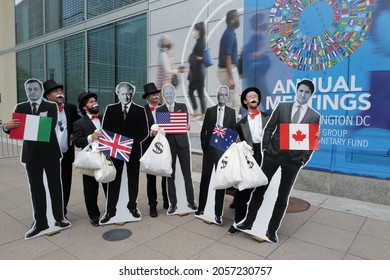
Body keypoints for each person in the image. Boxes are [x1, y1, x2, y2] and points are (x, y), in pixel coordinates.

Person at [236, 79, 320, 243]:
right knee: (260, 189)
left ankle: (272, 230)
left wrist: (303, 159)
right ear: (297, 91)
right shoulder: (282, 107)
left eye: (307, 92)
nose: (303, 94)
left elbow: (311, 141)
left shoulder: (314, 116)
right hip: (273, 155)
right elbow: (269, 128)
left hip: (293, 161)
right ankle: (248, 221)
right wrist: (266, 149)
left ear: (311, 95)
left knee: (283, 197)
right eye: (301, 91)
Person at [2, 78, 69, 239]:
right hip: (31, 154)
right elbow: (16, 131)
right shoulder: (20, 107)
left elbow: (47, 127)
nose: (32, 92)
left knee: (55, 185)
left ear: (41, 91)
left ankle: (59, 217)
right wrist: (6, 127)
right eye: (29, 89)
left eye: (35, 89)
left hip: (50, 152)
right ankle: (40, 222)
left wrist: (28, 126)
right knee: (36, 188)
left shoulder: (51, 106)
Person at [100, 82, 149, 223]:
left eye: (128, 93)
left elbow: (144, 131)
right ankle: (110, 211)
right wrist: (117, 144)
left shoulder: (140, 110)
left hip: (133, 150)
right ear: (118, 94)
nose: (126, 96)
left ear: (132, 93)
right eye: (122, 93)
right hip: (116, 150)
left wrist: (128, 143)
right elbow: (106, 130)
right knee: (114, 180)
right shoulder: (110, 109)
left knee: (133, 179)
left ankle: (132, 207)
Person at [228, 87, 270, 235]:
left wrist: (313, 135)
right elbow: (234, 142)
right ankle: (238, 222)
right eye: (250, 96)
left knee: (263, 190)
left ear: (258, 100)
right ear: (245, 101)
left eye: (256, 95)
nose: (254, 97)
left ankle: (260, 223)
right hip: (248, 157)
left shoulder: (269, 118)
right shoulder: (240, 124)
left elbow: (283, 134)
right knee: (242, 191)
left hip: (266, 156)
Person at [195, 85, 236, 224]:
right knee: (205, 179)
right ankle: (201, 208)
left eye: (225, 95)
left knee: (220, 182)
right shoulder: (210, 111)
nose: (223, 97)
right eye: (221, 95)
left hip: (223, 151)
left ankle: (218, 213)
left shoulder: (231, 112)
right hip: (210, 150)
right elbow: (203, 131)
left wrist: (229, 152)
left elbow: (233, 133)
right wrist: (204, 147)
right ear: (217, 97)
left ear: (227, 97)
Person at [156, 83, 197, 214]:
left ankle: (191, 201)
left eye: (171, 93)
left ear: (174, 94)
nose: (169, 96)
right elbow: (164, 127)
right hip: (169, 146)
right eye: (166, 93)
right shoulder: (160, 110)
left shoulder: (182, 106)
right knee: (170, 176)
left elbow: (184, 122)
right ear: (163, 95)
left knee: (187, 175)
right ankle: (173, 204)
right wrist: (174, 123)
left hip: (183, 145)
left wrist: (185, 125)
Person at [43, 79, 80, 217]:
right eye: (55, 91)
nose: (60, 92)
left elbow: (80, 123)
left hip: (66, 155)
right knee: (49, 185)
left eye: (60, 90)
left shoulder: (70, 108)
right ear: (48, 96)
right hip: (49, 156)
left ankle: (61, 213)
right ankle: (49, 213)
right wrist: (6, 128)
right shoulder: (42, 109)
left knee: (65, 184)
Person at [73, 91, 108, 226]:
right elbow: (78, 141)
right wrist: (90, 138)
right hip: (90, 160)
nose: (95, 103)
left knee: (109, 185)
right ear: (84, 107)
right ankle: (94, 215)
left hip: (106, 158)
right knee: (90, 189)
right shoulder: (79, 123)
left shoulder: (104, 118)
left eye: (95, 101)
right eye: (91, 102)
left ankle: (111, 211)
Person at [141, 82, 169, 217]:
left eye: (157, 93)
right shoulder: (142, 110)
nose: (156, 95)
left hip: (163, 147)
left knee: (165, 175)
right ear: (147, 97)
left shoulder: (163, 109)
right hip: (148, 149)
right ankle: (153, 205)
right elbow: (138, 131)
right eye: (153, 94)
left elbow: (167, 127)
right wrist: (149, 133)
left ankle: (166, 201)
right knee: (151, 178)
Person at [218, 9, 240, 116]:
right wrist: (231, 78)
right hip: (228, 70)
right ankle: (229, 130)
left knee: (230, 102)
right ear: (231, 20)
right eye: (237, 17)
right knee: (235, 102)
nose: (239, 19)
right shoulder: (230, 35)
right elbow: (227, 57)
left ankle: (226, 129)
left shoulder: (228, 33)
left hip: (226, 70)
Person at [156, 35, 185, 104]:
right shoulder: (163, 55)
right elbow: (167, 70)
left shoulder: (166, 54)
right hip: (165, 85)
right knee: (165, 107)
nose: (170, 43)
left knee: (166, 106)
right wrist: (178, 71)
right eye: (168, 41)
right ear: (164, 44)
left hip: (166, 85)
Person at [188, 22, 206, 117]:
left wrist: (192, 56)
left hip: (197, 72)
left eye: (195, 30)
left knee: (192, 92)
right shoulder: (200, 41)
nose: (193, 32)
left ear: (199, 31)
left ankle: (197, 112)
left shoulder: (200, 42)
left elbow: (200, 57)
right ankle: (201, 113)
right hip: (197, 71)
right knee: (199, 93)